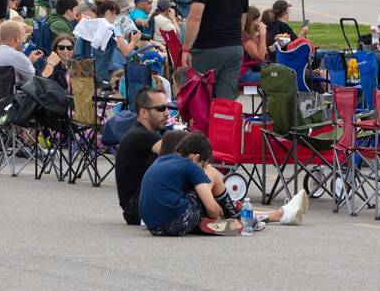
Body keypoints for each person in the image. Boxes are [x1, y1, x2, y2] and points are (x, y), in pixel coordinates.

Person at [139, 132, 309, 236]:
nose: (203, 168)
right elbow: (212, 209)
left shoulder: (162, 161)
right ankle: (237, 217)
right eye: (203, 164)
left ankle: (275, 214)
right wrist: (219, 213)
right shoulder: (191, 165)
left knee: (200, 191)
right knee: (212, 175)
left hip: (154, 226)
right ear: (197, 158)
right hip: (177, 221)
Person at [182, 0, 249, 100]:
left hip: (208, 48)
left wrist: (186, 49)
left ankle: (198, 126)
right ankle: (222, 124)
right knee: (224, 102)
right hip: (234, 48)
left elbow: (195, 18)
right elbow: (242, 21)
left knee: (196, 96)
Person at [114, 87, 168, 225]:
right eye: (161, 108)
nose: (167, 113)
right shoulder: (141, 135)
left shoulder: (147, 132)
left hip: (141, 203)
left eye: (168, 107)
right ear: (144, 112)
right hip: (136, 207)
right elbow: (178, 154)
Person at [0, 20, 43, 86]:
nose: (23, 40)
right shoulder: (18, 56)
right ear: (17, 38)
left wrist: (29, 60)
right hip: (12, 95)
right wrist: (50, 64)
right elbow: (35, 84)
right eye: (23, 36)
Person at [240, 6, 267, 84]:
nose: (258, 22)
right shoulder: (245, 38)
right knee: (280, 76)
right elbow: (261, 56)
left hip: (251, 69)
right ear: (249, 21)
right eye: (256, 19)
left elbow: (262, 50)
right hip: (245, 74)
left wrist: (258, 36)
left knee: (280, 72)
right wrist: (262, 35)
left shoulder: (248, 35)